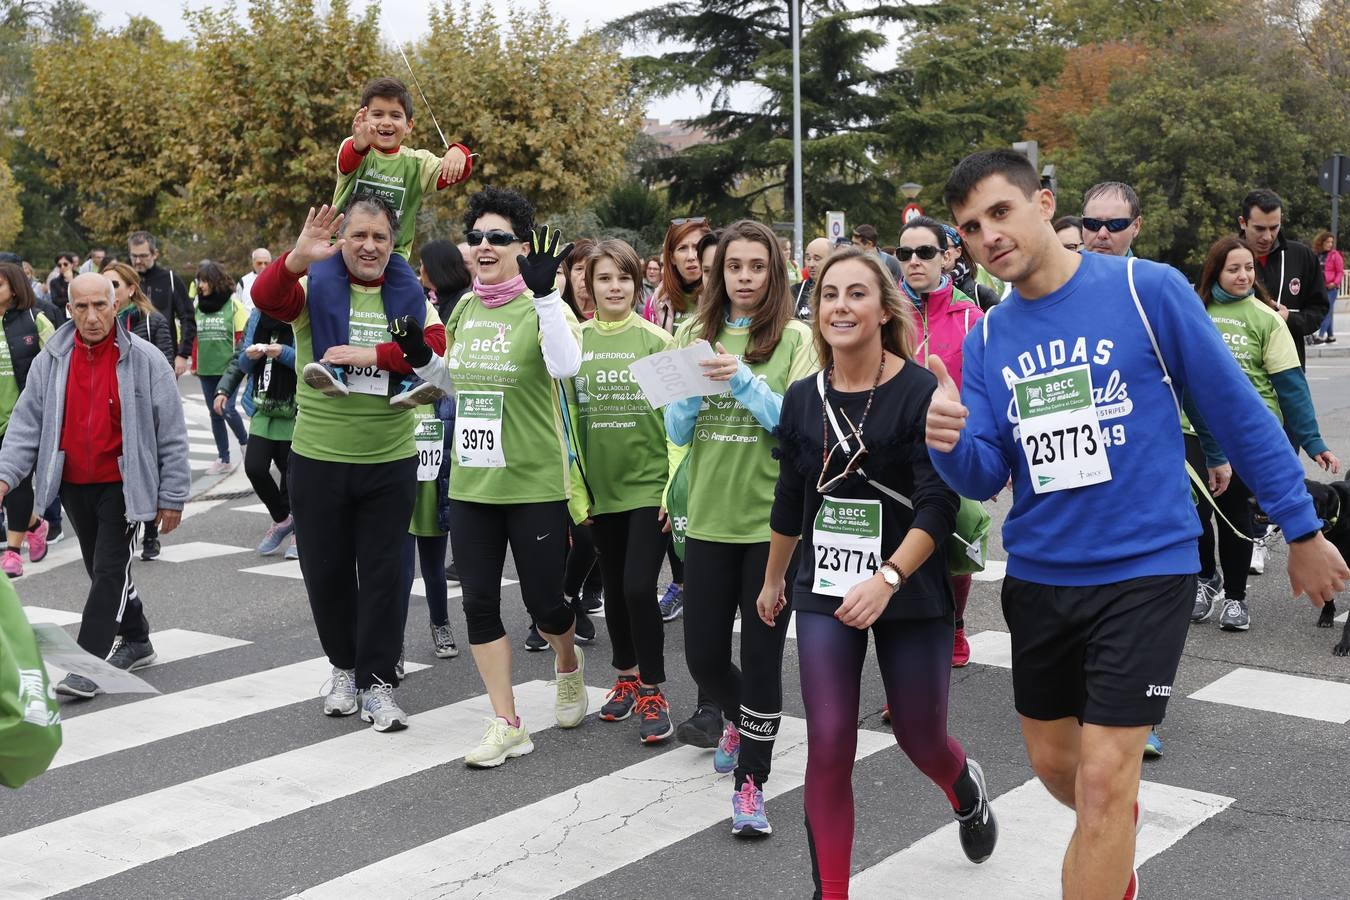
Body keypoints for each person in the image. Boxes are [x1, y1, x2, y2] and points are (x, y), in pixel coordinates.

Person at [930, 148, 1348, 900]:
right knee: (1063, 769)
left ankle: (1107, 819)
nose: (987, 236)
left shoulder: (1143, 288)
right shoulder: (990, 338)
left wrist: (1302, 530)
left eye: (999, 212)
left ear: (1043, 205)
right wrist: (949, 438)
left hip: (1145, 571)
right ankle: (1113, 837)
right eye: (969, 227)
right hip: (1040, 576)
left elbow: (1236, 410)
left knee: (1100, 783)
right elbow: (986, 474)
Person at [759, 245, 996, 898]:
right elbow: (790, 500)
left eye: (857, 293)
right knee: (829, 742)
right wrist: (776, 579)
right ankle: (830, 891)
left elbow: (938, 504)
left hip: (910, 586)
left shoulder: (921, 392)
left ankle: (963, 785)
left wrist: (886, 578)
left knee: (921, 737)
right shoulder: (803, 398)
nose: (840, 305)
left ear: (883, 306)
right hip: (825, 586)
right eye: (829, 293)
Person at [252, 193, 448, 733]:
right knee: (327, 574)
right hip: (318, 459)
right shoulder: (317, 285)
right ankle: (344, 668)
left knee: (386, 576)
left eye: (380, 237)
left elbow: (433, 345)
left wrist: (374, 355)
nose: (368, 245)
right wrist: (296, 258)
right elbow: (268, 297)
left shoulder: (409, 292)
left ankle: (379, 682)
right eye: (358, 235)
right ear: (343, 240)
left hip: (389, 459)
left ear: (393, 243)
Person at [666, 219, 818, 836]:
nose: (746, 277)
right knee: (702, 653)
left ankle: (750, 783)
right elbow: (676, 433)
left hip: (769, 527)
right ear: (717, 271)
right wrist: (691, 395)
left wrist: (744, 382)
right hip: (706, 520)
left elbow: (797, 425)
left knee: (760, 660)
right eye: (735, 267)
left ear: (774, 272)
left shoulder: (796, 338)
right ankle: (736, 719)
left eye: (758, 266)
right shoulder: (690, 332)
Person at [441, 186, 588, 767]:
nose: (483, 246)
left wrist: (548, 294)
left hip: (533, 483)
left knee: (545, 603)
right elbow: (457, 384)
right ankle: (506, 722)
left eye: (498, 238)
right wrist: (418, 360)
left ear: (522, 248)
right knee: (478, 602)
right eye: (475, 236)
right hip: (472, 484)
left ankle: (567, 660)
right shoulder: (463, 308)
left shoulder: (543, 305)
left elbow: (566, 366)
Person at [0, 272, 191, 698]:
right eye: (81, 307)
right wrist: (5, 476)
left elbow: (172, 433)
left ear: (116, 305)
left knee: (107, 571)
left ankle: (87, 665)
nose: (91, 316)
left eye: (99, 305)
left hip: (125, 483)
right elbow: (26, 424)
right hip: (72, 483)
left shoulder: (144, 359)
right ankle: (137, 638)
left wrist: (173, 495)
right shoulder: (51, 358)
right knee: (103, 570)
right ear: (68, 310)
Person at [1190, 235, 1340, 633]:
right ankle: (1207, 580)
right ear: (1215, 272)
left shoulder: (1266, 317)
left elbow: (1291, 386)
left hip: (1246, 434)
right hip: (1191, 429)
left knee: (1235, 515)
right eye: (1233, 268)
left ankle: (1236, 599)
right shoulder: (1194, 311)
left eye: (1249, 268)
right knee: (1195, 515)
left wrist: (1312, 441)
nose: (1243, 275)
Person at [574, 239, 679, 743]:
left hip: (648, 487)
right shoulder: (574, 343)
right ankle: (625, 679)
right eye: (604, 278)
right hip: (598, 491)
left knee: (640, 586)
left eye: (624, 278)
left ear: (638, 284)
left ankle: (655, 689)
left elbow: (677, 425)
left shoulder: (656, 341)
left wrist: (672, 490)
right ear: (588, 286)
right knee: (614, 589)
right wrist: (577, 492)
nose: (615, 287)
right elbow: (566, 422)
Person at [898, 216, 984, 669]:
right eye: (904, 253)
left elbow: (985, 390)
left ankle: (954, 622)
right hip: (897, 451)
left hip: (954, 446)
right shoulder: (887, 313)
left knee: (957, 535)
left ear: (947, 257)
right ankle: (914, 650)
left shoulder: (972, 316)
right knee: (905, 544)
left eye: (925, 252)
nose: (913, 261)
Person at [333, 77, 472, 260]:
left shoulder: (418, 163)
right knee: (320, 282)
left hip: (393, 254)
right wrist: (358, 145)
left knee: (410, 289)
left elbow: (456, 172)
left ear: (409, 126)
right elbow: (349, 159)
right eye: (377, 114)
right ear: (363, 118)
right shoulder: (354, 147)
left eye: (395, 115)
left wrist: (458, 152)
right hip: (339, 245)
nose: (386, 122)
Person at [103, 261, 176, 561]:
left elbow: (166, 365)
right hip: (111, 410)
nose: (109, 293)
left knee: (147, 466)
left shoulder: (152, 321)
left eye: (115, 286)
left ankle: (150, 530)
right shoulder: (98, 325)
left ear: (131, 289)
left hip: (145, 408)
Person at [212, 303, 299, 558]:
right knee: (255, 468)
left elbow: (309, 361)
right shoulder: (258, 316)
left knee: (290, 472)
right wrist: (225, 389)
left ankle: (300, 532)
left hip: (294, 406)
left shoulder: (301, 312)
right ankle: (283, 520)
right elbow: (241, 361)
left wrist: (281, 352)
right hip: (262, 404)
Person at [0, 264, 57, 578]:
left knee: (16, 485)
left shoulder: (35, 320)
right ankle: (36, 525)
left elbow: (57, 364)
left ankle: (12, 553)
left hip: (21, 420)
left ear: (15, 287)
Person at [1237, 188, 1329, 367]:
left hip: (1288, 369)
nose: (1268, 236)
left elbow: (1318, 310)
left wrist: (1290, 319)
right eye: (1259, 229)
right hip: (1240, 372)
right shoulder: (1223, 258)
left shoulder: (1302, 256)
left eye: (1274, 227)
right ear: (1243, 222)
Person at [193, 260, 250, 476]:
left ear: (215, 281)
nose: (201, 285)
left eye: (204, 280)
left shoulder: (233, 304)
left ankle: (245, 444)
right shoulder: (198, 304)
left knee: (226, 409)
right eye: (199, 281)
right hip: (206, 369)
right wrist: (196, 362)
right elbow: (197, 336)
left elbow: (241, 337)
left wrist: (241, 365)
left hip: (228, 369)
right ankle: (223, 458)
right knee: (214, 414)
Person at [128, 231, 195, 377]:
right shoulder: (124, 280)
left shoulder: (170, 279)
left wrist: (183, 354)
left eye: (143, 256)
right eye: (134, 256)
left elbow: (187, 317)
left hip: (165, 354)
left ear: (155, 254)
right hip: (130, 356)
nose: (138, 261)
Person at [643, 217, 711, 334]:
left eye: (697, 247)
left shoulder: (723, 298)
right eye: (682, 248)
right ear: (672, 257)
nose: (691, 256)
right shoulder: (656, 302)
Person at [941, 224, 1001, 312]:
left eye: (944, 246)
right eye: (932, 248)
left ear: (958, 252)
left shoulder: (982, 294)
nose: (940, 252)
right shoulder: (921, 292)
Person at [1081, 182, 1141, 257]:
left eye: (1115, 224)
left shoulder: (1145, 269)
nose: (1102, 234)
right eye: (1093, 223)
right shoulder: (1065, 267)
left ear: (1136, 226)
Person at [419, 239, 472, 324]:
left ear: (433, 269)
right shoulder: (426, 297)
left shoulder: (464, 304)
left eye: (422, 264)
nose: (420, 270)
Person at [791, 236, 833, 321]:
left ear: (831, 260)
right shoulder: (795, 292)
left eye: (817, 259)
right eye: (808, 258)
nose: (811, 264)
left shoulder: (842, 292)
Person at [1312, 230, 1343, 343]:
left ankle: (1320, 337)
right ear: (1321, 242)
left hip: (1331, 288)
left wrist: (1334, 283)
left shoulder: (1336, 255)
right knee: (1328, 310)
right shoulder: (1316, 254)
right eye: (1328, 242)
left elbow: (1340, 272)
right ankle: (1330, 336)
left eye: (1331, 242)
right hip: (1320, 287)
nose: (1330, 244)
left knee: (1326, 310)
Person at [47, 252, 76, 323]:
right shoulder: (54, 282)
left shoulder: (80, 278)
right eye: (59, 265)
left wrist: (71, 281)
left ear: (72, 264)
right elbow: (55, 301)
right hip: (62, 316)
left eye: (65, 264)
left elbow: (81, 296)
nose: (62, 267)